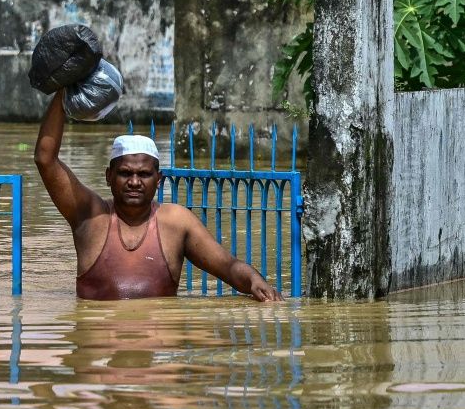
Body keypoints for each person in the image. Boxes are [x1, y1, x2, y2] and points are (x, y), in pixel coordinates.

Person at [34, 91, 282, 301]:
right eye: (125, 173)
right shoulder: (90, 214)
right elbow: (45, 159)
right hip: (99, 344)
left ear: (158, 179)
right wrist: (63, 92)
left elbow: (227, 266)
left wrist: (254, 281)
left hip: (158, 341)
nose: (134, 182)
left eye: (143, 174)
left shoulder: (175, 221)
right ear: (109, 176)